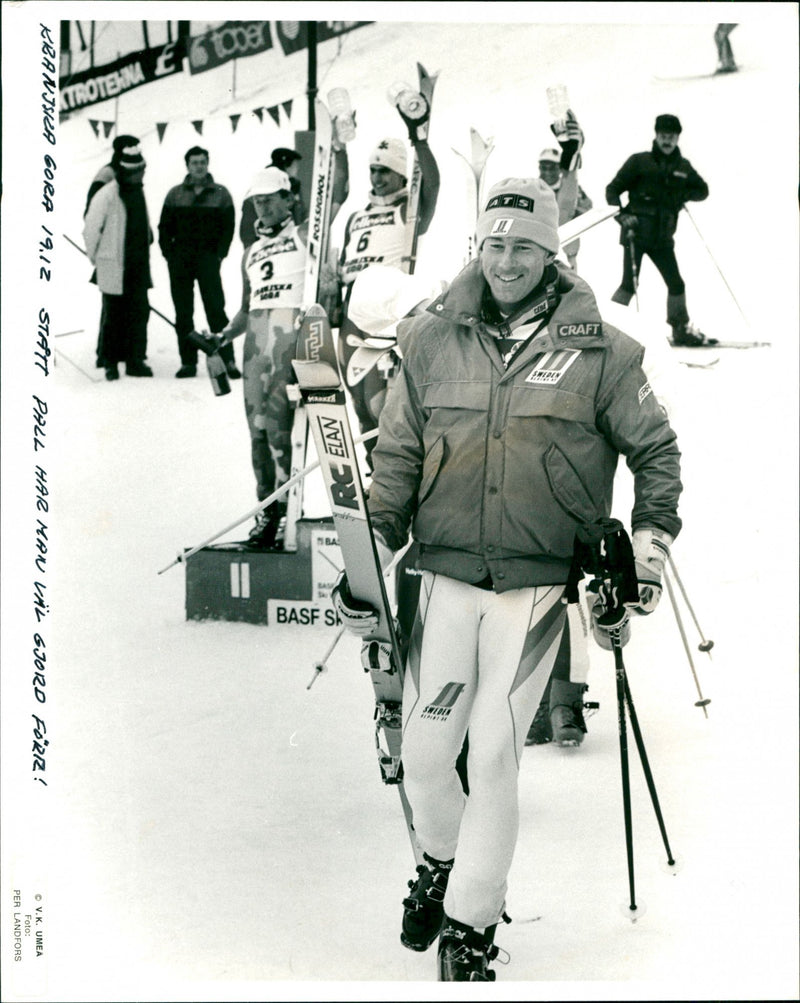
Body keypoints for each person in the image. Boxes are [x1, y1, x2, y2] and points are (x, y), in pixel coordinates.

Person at [332, 177, 682, 980]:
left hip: (531, 590)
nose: (506, 259)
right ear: (477, 246)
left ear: (552, 252)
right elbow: (397, 462)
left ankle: (472, 922)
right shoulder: (430, 339)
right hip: (447, 578)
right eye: (494, 243)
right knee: (424, 753)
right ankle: (442, 861)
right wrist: (372, 551)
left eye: (524, 244)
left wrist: (648, 548)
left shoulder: (603, 350)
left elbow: (657, 453)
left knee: (491, 753)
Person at [210, 168, 320, 549]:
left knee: (279, 431)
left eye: (272, 198)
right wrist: (223, 334)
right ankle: (266, 512)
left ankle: (288, 507)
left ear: (289, 199)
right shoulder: (251, 252)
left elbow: (328, 281)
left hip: (289, 339)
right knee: (256, 434)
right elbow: (245, 307)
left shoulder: (307, 235)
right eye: (258, 200)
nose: (265, 205)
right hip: (255, 345)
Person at [336, 114, 440, 471]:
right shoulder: (357, 217)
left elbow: (432, 185)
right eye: (373, 171)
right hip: (353, 316)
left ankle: (395, 477)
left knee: (383, 406)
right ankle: (374, 477)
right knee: (360, 405)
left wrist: (419, 139)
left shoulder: (407, 210)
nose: (377, 179)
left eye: (385, 171)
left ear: (400, 175)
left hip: (386, 312)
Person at [605, 114, 711, 347]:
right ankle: (605, 329)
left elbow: (702, 190)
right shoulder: (639, 162)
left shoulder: (683, 167)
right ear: (656, 135)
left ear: (677, 138)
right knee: (629, 285)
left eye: (671, 137)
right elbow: (612, 190)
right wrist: (622, 216)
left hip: (663, 238)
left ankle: (680, 329)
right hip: (636, 235)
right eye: (663, 136)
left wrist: (682, 195)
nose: (667, 141)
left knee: (676, 284)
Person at [158, 146, 239, 379]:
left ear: (208, 163)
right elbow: (164, 227)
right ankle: (188, 362)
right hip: (180, 260)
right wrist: (169, 254)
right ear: (187, 166)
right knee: (183, 312)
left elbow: (228, 227)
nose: (199, 166)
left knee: (216, 309)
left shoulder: (221, 193)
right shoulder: (175, 194)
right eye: (194, 162)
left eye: (203, 162)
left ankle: (228, 360)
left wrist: (219, 254)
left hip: (208, 260)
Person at [83, 140, 154, 381]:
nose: (141, 174)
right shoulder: (107, 194)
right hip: (114, 264)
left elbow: (143, 221)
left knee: (139, 312)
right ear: (126, 171)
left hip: (138, 263)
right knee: (114, 315)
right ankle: (110, 362)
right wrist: (97, 259)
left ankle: (135, 360)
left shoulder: (139, 190)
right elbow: (91, 229)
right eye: (138, 171)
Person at [537, 135, 593, 272]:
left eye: (552, 168)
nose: (547, 172)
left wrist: (574, 212)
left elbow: (588, 209)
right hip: (541, 247)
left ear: (559, 169)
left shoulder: (572, 188)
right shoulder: (534, 188)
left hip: (567, 249)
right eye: (544, 168)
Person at [239, 147, 306, 250]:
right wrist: (251, 250)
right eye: (295, 166)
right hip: (263, 247)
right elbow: (247, 225)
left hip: (295, 242)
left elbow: (302, 214)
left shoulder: (294, 187)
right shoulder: (258, 188)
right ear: (287, 165)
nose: (297, 170)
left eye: (268, 200)